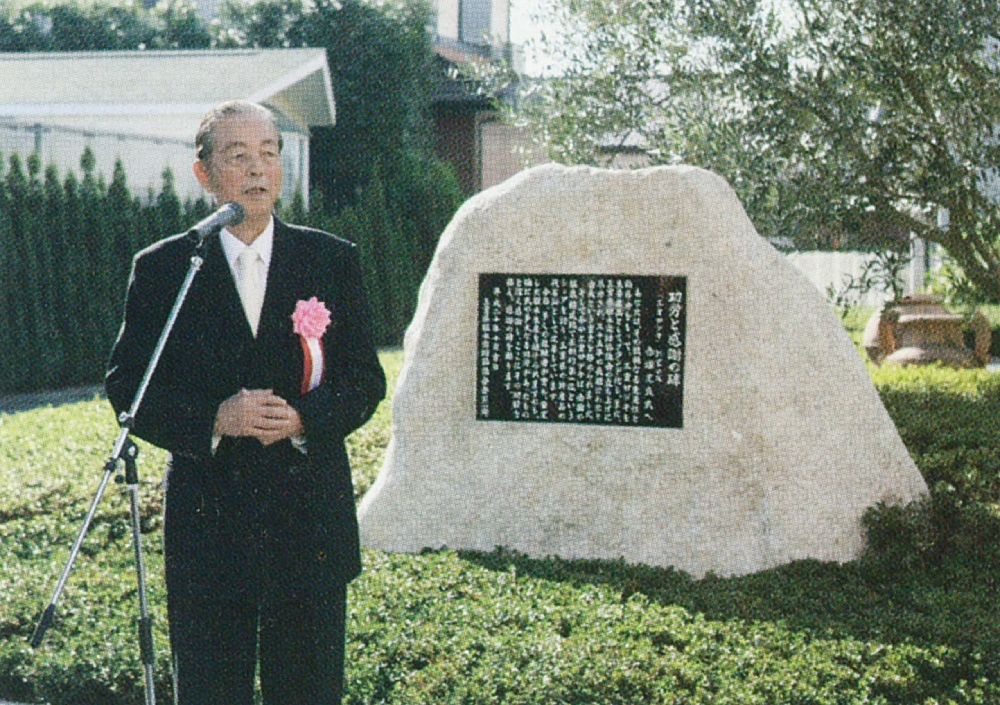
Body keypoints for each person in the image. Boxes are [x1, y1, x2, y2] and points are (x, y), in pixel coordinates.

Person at [106, 100, 386, 705]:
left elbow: (365, 380)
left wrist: (306, 419)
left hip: (308, 526)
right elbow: (129, 385)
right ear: (204, 173)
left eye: (269, 153)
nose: (258, 169)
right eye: (238, 156)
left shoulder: (331, 260)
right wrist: (213, 419)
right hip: (209, 532)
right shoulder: (166, 269)